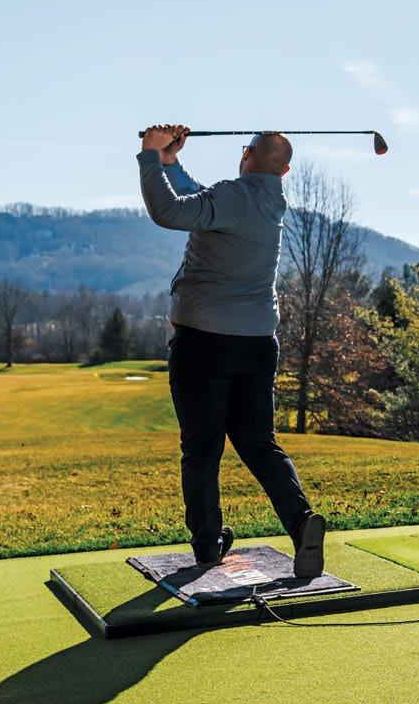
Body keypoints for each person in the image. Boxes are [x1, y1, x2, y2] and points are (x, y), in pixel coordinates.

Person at [137, 124, 326, 577]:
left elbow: (168, 210)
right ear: (283, 172)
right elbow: (204, 200)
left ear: (246, 155)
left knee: (202, 448)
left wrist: (148, 155)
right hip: (258, 344)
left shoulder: (233, 197)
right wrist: (170, 163)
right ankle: (301, 521)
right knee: (258, 442)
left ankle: (208, 543)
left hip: (205, 343)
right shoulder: (267, 201)